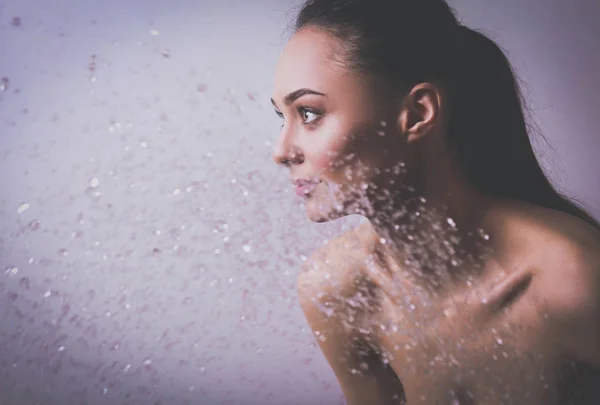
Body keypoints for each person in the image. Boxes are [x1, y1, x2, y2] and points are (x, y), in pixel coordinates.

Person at [270, 0, 600, 403]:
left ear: (416, 113)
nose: (282, 150)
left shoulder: (575, 280)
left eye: (308, 113)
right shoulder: (338, 290)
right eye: (280, 117)